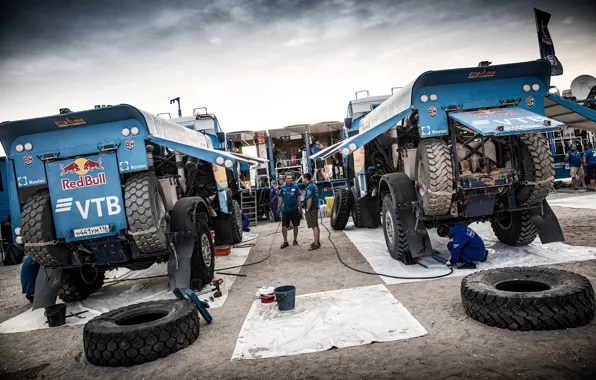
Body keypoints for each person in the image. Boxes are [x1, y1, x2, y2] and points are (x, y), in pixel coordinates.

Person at [278, 173, 302, 249]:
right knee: (284, 226)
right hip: (286, 210)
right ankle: (285, 241)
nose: (290, 179)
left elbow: (299, 197)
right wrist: (279, 207)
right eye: (288, 178)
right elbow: (281, 197)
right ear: (285, 179)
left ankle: (295, 240)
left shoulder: (296, 187)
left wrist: (300, 208)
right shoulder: (282, 187)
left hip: (294, 209)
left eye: (291, 178)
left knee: (295, 225)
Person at [303, 173, 321, 250]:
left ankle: (316, 244)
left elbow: (309, 200)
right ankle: (317, 241)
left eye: (303, 178)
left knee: (314, 226)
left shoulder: (309, 187)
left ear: (306, 178)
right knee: (315, 225)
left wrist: (307, 209)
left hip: (312, 209)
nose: (303, 180)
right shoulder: (313, 185)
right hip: (315, 207)